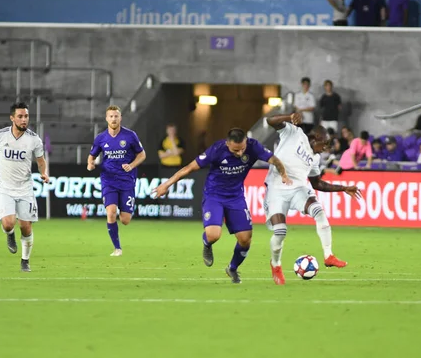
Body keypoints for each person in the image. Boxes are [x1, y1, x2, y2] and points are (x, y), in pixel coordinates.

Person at [152, 129, 290, 284]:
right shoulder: (216, 150)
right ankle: (207, 243)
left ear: (246, 141)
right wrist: (166, 184)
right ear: (227, 143)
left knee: (245, 239)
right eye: (235, 150)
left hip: (236, 197)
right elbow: (189, 168)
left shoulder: (253, 146)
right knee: (213, 235)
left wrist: (283, 174)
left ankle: (232, 268)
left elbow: (274, 160)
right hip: (214, 196)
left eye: (242, 149)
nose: (239, 153)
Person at [263, 113, 361, 285]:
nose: (325, 148)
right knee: (280, 232)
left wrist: (343, 188)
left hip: (298, 190)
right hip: (276, 190)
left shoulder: (315, 159)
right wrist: (290, 116)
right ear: (315, 139)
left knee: (319, 211)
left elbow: (317, 184)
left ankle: (328, 255)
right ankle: (276, 264)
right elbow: (270, 120)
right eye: (325, 144)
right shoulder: (294, 133)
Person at [0, 102, 49, 272]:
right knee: (9, 223)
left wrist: (43, 173)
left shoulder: (34, 139)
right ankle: (9, 235)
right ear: (12, 118)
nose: (24, 120)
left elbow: (40, 160)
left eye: (26, 116)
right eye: (20, 116)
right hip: (3, 187)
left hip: (25, 188)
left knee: (26, 226)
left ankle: (25, 260)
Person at [87, 105, 146, 257]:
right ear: (107, 118)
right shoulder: (101, 138)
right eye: (111, 116)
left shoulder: (130, 135)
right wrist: (90, 163)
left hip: (127, 181)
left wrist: (131, 165)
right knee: (111, 213)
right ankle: (117, 248)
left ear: (120, 118)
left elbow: (142, 155)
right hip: (109, 180)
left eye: (116, 116)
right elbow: (91, 155)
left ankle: (126, 207)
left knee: (125, 220)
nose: (114, 119)